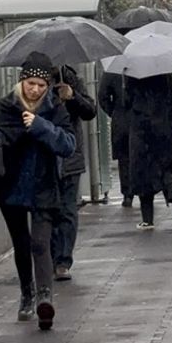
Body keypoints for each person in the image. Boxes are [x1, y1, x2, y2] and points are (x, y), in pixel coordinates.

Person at [0, 52, 75, 330]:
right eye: (31, 84)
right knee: (21, 242)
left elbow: (67, 145)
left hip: (44, 184)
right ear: (22, 81)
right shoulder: (6, 108)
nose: (36, 90)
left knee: (41, 242)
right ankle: (26, 294)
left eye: (42, 86)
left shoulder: (55, 108)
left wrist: (41, 126)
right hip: (12, 182)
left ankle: (45, 298)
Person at [123, 73, 172, 229]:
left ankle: (148, 220)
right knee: (167, 170)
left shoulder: (134, 77)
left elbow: (126, 102)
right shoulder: (169, 76)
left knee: (143, 174)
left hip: (142, 131)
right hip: (166, 130)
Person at [50, 66, 97, 282]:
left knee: (68, 209)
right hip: (45, 157)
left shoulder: (70, 78)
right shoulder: (32, 82)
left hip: (70, 156)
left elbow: (90, 111)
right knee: (48, 210)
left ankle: (63, 260)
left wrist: (72, 97)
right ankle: (50, 257)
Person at [97, 71, 132, 207]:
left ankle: (127, 194)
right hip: (139, 118)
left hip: (121, 120)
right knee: (140, 156)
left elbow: (102, 96)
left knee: (124, 160)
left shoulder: (111, 71)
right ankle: (143, 192)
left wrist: (114, 112)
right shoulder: (140, 66)